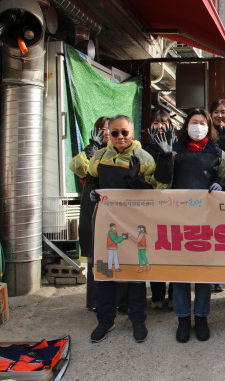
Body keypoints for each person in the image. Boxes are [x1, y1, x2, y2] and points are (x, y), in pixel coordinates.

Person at [86, 114, 167, 344]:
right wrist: (93, 193)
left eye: (124, 132)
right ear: (108, 135)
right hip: (106, 224)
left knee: (135, 273)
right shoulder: (100, 157)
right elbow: (91, 179)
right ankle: (105, 320)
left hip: (133, 223)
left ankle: (138, 319)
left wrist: (140, 184)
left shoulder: (144, 157)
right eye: (114, 133)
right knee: (105, 272)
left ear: (132, 133)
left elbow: (158, 188)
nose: (120, 137)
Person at [152, 108, 225, 343]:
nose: (198, 126)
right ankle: (183, 319)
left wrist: (220, 186)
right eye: (193, 122)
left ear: (209, 126)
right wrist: (164, 157)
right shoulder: (175, 150)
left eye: (202, 122)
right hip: (178, 219)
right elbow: (161, 182)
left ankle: (202, 317)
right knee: (181, 272)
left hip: (206, 220)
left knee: (203, 272)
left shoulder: (218, 152)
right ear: (186, 126)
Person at [69, 116, 109, 312]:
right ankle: (95, 300)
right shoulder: (89, 151)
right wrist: (91, 150)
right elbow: (79, 169)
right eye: (103, 129)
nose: (108, 133)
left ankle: (117, 300)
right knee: (96, 256)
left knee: (113, 253)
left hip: (113, 211)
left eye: (111, 129)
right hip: (92, 208)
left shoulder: (120, 152)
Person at [142, 108, 174, 310]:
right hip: (151, 210)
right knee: (154, 252)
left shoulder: (176, 145)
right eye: (155, 123)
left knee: (173, 252)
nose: (159, 126)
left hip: (174, 208)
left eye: (163, 122)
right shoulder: (143, 149)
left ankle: (174, 295)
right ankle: (157, 295)